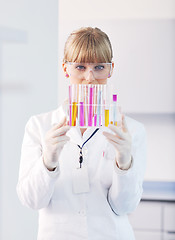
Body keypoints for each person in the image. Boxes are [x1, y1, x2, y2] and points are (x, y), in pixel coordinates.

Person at [17, 27, 146, 240]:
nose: (89, 77)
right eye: (80, 66)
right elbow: (32, 201)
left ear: (110, 70)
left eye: (99, 67)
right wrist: (48, 162)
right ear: (65, 69)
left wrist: (124, 164)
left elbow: (124, 206)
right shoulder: (39, 126)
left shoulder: (131, 131)